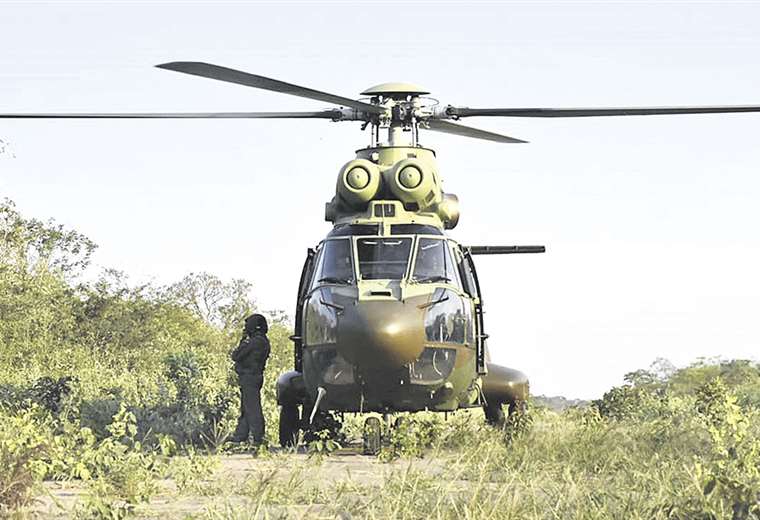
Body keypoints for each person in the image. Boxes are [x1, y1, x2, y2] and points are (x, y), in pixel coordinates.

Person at [230, 313, 271, 444]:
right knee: (247, 408)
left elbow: (236, 355)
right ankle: (240, 436)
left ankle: (259, 438)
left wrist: (243, 340)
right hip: (252, 377)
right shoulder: (262, 341)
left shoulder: (256, 342)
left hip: (250, 377)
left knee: (252, 409)